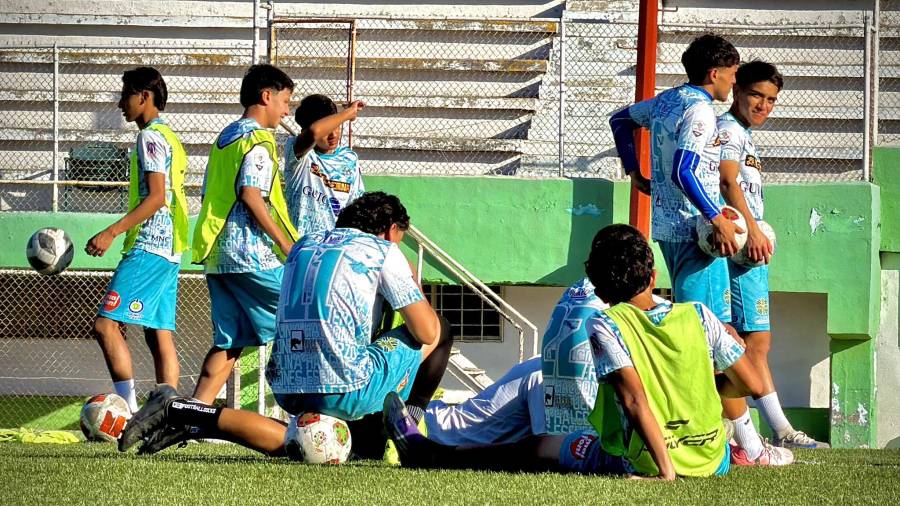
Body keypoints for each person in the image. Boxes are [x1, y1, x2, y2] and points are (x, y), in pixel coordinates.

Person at [383, 224, 794, 479]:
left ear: (597, 287)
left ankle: (433, 450)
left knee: (540, 447)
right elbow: (752, 382)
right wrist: (701, 386)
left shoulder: (606, 324)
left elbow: (633, 399)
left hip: (649, 460)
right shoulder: (699, 316)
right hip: (712, 457)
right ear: (654, 275)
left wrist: (665, 472)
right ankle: (433, 432)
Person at [119, 192, 453, 457]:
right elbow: (425, 331)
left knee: (298, 444)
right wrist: (410, 277)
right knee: (441, 328)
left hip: (287, 386)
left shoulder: (304, 245)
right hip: (348, 385)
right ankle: (408, 427)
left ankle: (189, 414)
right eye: (399, 237)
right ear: (391, 230)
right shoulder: (383, 250)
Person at [717, 60, 829, 451]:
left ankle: (774, 432)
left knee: (755, 344)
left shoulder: (745, 134)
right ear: (737, 91)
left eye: (771, 100)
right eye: (756, 96)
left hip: (749, 253)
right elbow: (726, 180)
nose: (764, 105)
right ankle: (758, 437)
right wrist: (749, 230)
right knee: (734, 346)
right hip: (736, 250)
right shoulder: (728, 130)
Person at [608, 34, 742, 323]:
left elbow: (619, 121)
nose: (734, 82)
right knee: (707, 326)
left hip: (667, 226)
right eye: (732, 74)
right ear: (714, 73)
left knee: (690, 317)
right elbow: (683, 170)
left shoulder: (667, 100)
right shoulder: (701, 111)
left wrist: (635, 173)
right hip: (697, 231)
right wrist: (716, 219)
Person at [189, 64, 299, 404]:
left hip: (220, 257)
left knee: (229, 341)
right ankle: (311, 409)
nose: (286, 110)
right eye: (285, 101)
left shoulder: (226, 136)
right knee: (304, 316)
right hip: (252, 253)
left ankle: (190, 414)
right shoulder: (259, 141)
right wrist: (285, 243)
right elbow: (251, 193)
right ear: (266, 96)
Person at [86, 67, 188, 412]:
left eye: (125, 94)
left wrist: (112, 231)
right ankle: (168, 414)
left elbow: (158, 196)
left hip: (151, 244)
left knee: (105, 324)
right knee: (158, 332)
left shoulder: (150, 137)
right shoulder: (170, 136)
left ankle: (127, 412)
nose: (120, 104)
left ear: (144, 96)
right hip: (171, 248)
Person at [285, 94, 365, 235]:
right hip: (301, 246)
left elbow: (356, 206)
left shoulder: (349, 158)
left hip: (333, 247)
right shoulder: (298, 153)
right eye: (327, 130)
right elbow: (314, 132)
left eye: (337, 126)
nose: (333, 135)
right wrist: (347, 113)